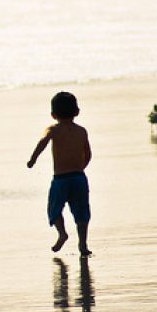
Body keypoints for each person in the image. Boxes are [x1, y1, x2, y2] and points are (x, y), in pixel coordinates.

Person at [27, 91, 92, 255]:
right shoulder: (82, 131)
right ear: (77, 112)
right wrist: (80, 168)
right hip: (79, 178)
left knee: (54, 208)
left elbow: (43, 141)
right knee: (82, 212)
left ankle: (62, 233)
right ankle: (82, 244)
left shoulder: (53, 129)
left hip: (61, 179)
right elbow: (88, 154)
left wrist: (33, 159)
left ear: (53, 114)